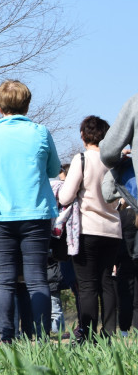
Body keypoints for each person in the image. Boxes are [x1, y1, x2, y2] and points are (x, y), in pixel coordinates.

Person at [0, 80, 60, 341]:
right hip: (36, 214)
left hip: (0, 215)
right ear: (27, 105)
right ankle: (40, 337)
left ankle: (7, 336)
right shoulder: (41, 132)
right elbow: (53, 170)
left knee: (4, 280)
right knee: (37, 278)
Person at [57, 116, 121, 342]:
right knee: (107, 281)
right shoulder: (114, 161)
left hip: (87, 228)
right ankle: (110, 332)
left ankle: (87, 333)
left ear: (83, 135)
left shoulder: (82, 158)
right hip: (113, 230)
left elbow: (66, 195)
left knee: (87, 284)